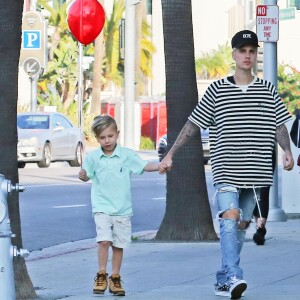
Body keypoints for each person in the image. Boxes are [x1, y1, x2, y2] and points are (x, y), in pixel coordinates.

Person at [158, 30, 294, 299]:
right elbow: (193, 124)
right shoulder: (218, 90)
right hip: (226, 170)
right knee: (229, 220)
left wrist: (287, 150)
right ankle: (233, 276)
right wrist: (170, 153)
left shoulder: (267, 90)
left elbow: (279, 125)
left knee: (241, 225)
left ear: (256, 55)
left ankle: (223, 279)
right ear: (233, 54)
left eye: (252, 51)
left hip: (256, 174)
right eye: (242, 50)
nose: (247, 55)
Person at [79, 115, 159, 296]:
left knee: (118, 245)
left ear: (117, 134)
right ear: (96, 138)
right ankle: (101, 273)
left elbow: (144, 166)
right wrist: (83, 176)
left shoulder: (126, 155)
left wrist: (160, 165)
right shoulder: (93, 158)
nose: (107, 140)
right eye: (102, 137)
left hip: (122, 209)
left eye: (110, 136)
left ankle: (115, 278)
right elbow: (86, 176)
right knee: (104, 240)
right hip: (101, 207)